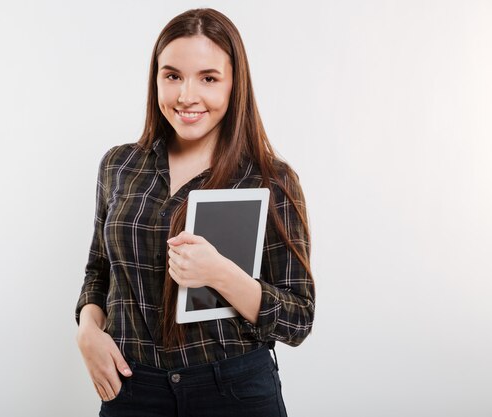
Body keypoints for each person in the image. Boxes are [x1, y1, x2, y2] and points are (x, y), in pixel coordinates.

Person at [75, 8, 315, 417]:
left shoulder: (270, 180)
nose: (187, 96)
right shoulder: (120, 165)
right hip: (133, 389)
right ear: (156, 80)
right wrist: (87, 332)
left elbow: (298, 318)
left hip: (234, 391)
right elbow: (99, 271)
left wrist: (219, 273)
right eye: (172, 76)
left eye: (208, 78)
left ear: (234, 85)